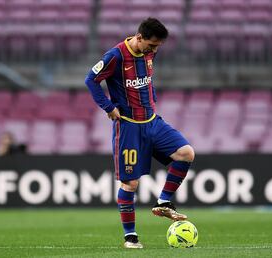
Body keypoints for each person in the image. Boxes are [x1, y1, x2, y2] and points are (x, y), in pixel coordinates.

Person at [85, 18, 195, 249]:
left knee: (186, 153)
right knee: (130, 183)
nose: (154, 50)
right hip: (128, 127)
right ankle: (131, 237)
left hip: (153, 122)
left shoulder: (149, 53)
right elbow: (91, 80)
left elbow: (146, 80)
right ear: (139, 37)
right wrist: (108, 107)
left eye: (157, 47)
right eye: (152, 45)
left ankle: (164, 202)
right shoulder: (115, 56)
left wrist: (151, 98)